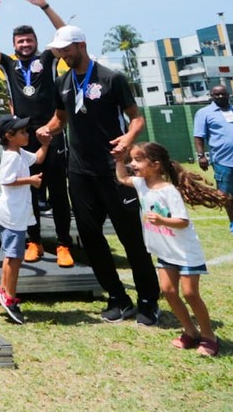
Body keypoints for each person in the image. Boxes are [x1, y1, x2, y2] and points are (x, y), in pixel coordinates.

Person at [36, 25, 161, 324]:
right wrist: (47, 130)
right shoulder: (62, 82)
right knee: (90, 237)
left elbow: (137, 118)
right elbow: (60, 119)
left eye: (67, 48)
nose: (63, 54)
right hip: (79, 171)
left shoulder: (111, 77)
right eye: (59, 50)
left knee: (131, 237)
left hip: (114, 170)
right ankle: (117, 296)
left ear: (81, 44)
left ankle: (148, 300)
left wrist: (128, 140)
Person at [0, 0, 74, 266]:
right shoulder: (7, 64)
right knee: (28, 192)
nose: (24, 45)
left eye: (28, 40)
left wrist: (44, 6)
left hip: (51, 132)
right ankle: (34, 241)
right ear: (14, 44)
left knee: (57, 191)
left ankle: (63, 245)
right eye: (20, 41)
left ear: (36, 42)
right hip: (22, 137)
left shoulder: (47, 58)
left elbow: (65, 32)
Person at [116, 142, 227, 356]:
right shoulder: (141, 184)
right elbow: (122, 178)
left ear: (156, 165)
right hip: (165, 252)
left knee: (190, 293)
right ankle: (190, 331)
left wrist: (161, 220)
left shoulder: (169, 191)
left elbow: (182, 221)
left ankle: (208, 336)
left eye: (138, 160)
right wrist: (119, 160)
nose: (133, 164)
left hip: (185, 252)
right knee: (168, 291)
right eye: (131, 160)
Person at [0, 114, 50, 325]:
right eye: (23, 132)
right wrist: (31, 180)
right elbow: (7, 181)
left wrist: (45, 144)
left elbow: (38, 158)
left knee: (12, 256)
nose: (27, 134)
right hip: (11, 215)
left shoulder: (20, 152)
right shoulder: (11, 156)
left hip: (16, 214)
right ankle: (9, 295)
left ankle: (4, 291)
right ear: (9, 135)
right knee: (14, 258)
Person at [193, 85, 233, 234]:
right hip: (223, 161)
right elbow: (198, 136)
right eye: (217, 95)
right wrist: (201, 156)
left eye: (223, 94)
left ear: (229, 95)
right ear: (211, 96)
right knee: (228, 195)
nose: (220, 97)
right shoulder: (204, 113)